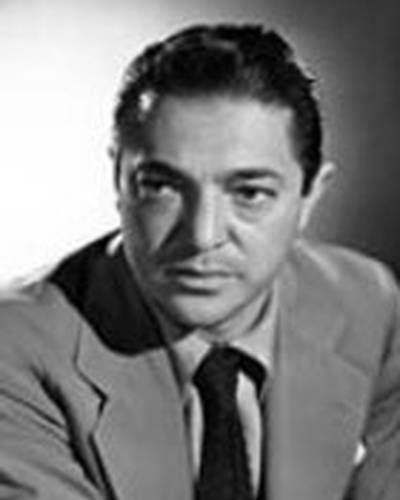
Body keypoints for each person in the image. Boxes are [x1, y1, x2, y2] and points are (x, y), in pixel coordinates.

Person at [0, 23, 399, 500]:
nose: (203, 236)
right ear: (117, 180)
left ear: (310, 196)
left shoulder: (370, 306)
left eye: (249, 193)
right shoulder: (15, 346)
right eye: (162, 187)